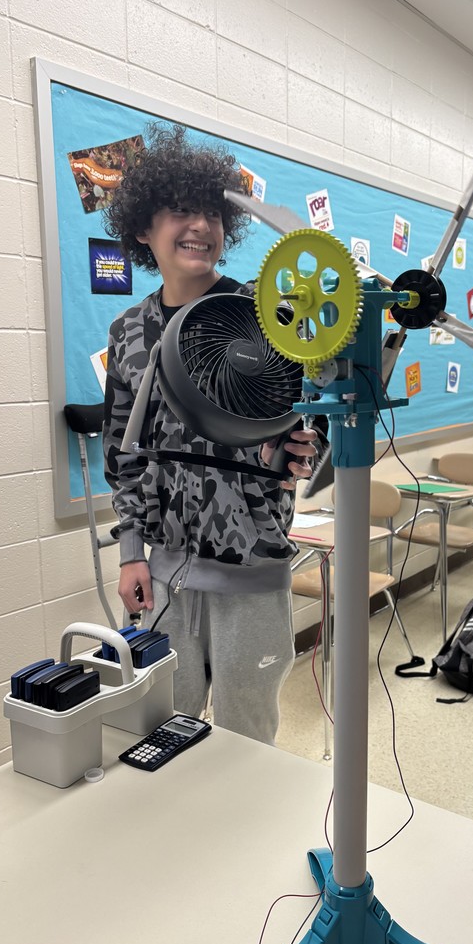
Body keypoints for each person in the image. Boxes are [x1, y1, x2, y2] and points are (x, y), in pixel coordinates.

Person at [102, 124, 316, 745]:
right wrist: (131, 552)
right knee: (161, 727)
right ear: (144, 229)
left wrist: (305, 451)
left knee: (250, 733)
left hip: (250, 565)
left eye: (212, 214)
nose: (199, 226)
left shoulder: (264, 318)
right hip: (162, 573)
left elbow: (314, 425)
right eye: (179, 211)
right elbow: (123, 454)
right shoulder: (128, 332)